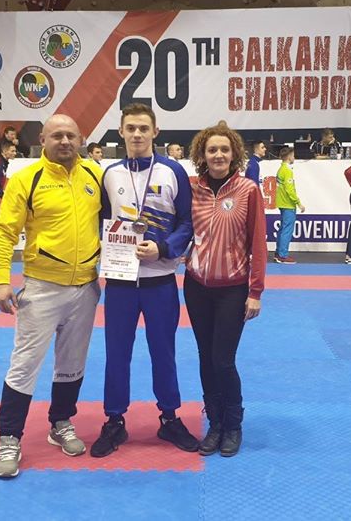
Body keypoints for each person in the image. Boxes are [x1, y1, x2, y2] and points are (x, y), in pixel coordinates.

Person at [0, 114, 103, 478]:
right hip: (41, 287)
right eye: (57, 136)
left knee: (72, 362)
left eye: (71, 135)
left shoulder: (96, 175)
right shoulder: (27, 178)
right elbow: (4, 231)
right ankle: (9, 437)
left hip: (86, 286)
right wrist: (1, 280)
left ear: (81, 139)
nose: (65, 141)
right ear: (42, 140)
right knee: (24, 364)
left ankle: (60, 422)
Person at [93, 102, 199, 458]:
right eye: (131, 128)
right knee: (116, 354)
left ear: (155, 132)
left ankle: (169, 418)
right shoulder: (110, 174)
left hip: (160, 282)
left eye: (143, 128)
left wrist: (164, 248)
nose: (137, 134)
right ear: (121, 132)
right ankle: (114, 420)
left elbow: (187, 222)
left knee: (163, 352)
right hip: (120, 284)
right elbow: (102, 222)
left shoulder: (173, 171)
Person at [184, 123, 267, 457]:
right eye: (212, 150)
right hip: (196, 286)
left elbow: (258, 243)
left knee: (223, 359)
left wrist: (255, 291)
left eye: (224, 149)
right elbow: (179, 228)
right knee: (205, 358)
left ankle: (233, 425)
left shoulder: (248, 190)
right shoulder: (192, 189)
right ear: (202, 155)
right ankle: (215, 424)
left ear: (234, 154)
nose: (218, 155)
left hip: (232, 288)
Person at [274, 146, 304, 264]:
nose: (294, 157)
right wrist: (298, 203)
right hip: (288, 204)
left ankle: (279, 253)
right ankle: (282, 255)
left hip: (282, 203)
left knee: (283, 229)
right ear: (289, 156)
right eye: (293, 155)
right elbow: (290, 189)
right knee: (287, 230)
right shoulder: (287, 170)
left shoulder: (281, 169)